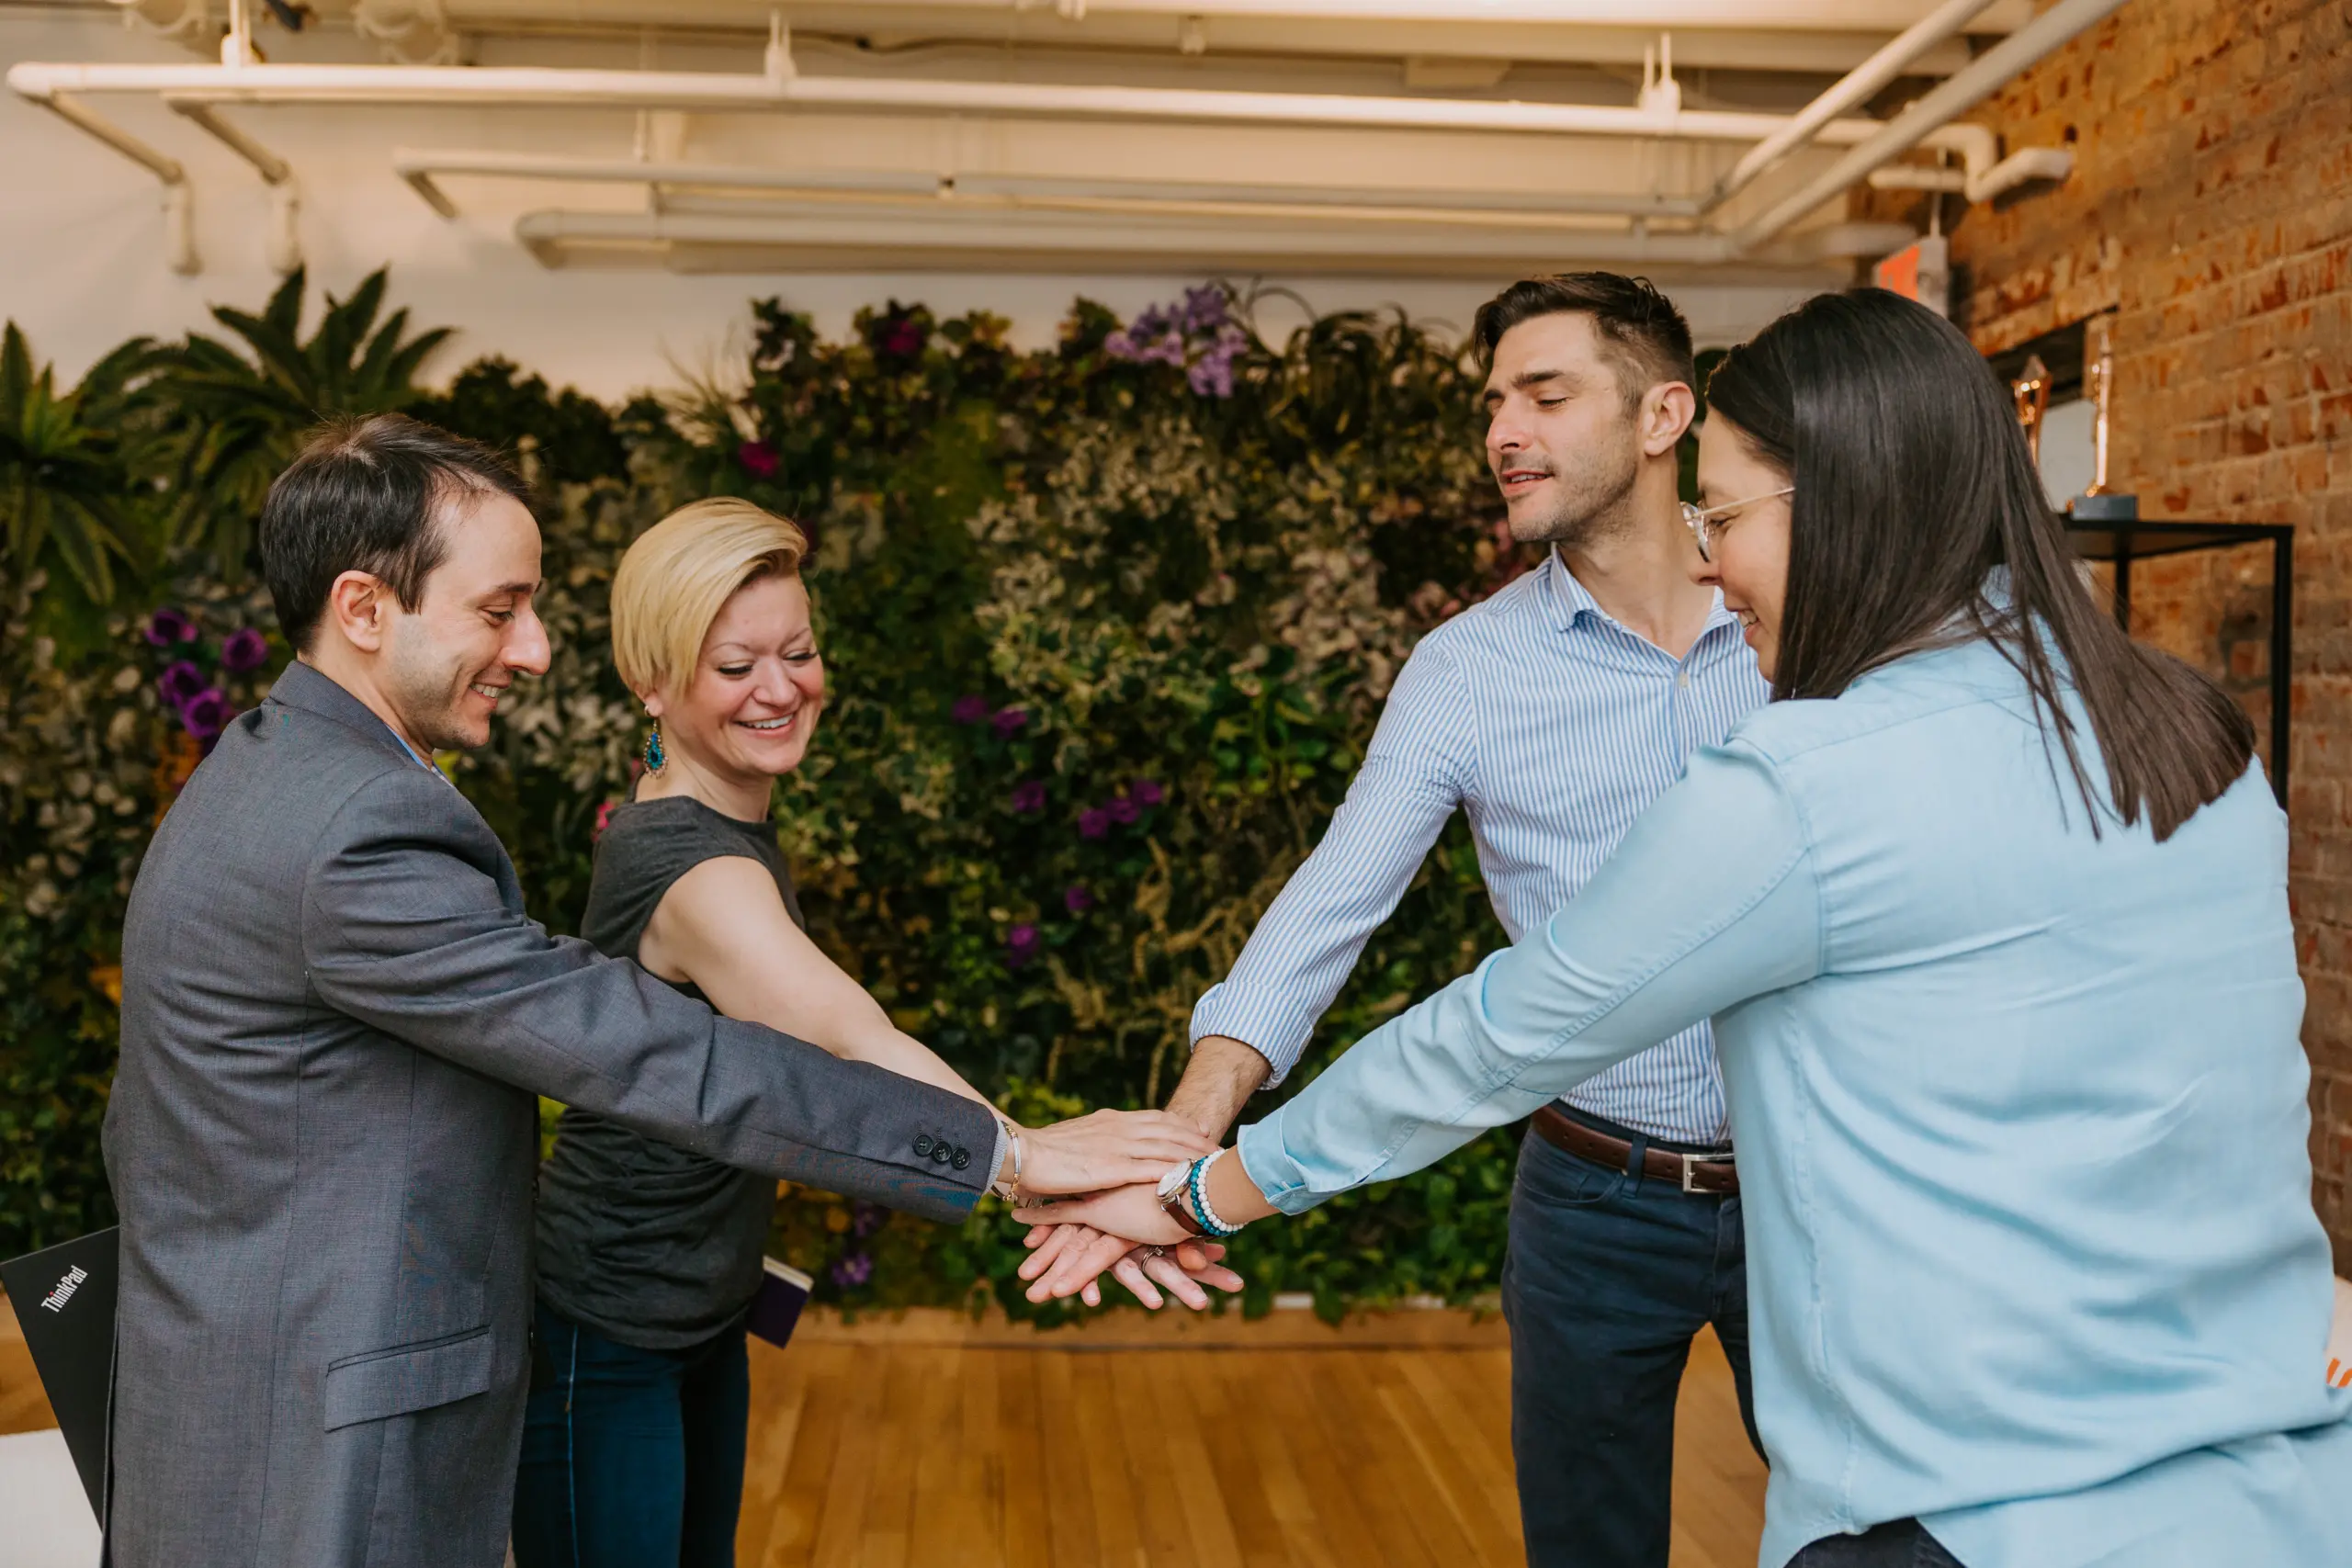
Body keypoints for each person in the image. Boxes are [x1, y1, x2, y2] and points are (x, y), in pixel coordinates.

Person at [1029, 289, 2352, 1568]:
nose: (1718, 565)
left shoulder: (1808, 776)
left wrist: (1200, 1188)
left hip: (1965, 1498)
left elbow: (1495, 1038)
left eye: (1731, 513)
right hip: (2273, 1477)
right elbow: (1331, 907)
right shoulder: (2189, 730)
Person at [103, 415, 1212, 1568]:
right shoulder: (354, 836)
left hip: (256, 1369)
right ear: (366, 609)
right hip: (314, 1409)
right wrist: (1017, 1159)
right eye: (500, 610)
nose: (533, 651)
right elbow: (662, 1054)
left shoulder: (273, 774)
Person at [1023, 272, 1770, 1566]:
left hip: (1813, 1172)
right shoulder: (1467, 669)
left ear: (1665, 415)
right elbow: (1330, 904)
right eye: (1492, 402)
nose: (1503, 432)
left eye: (1545, 393)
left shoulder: (1801, 625)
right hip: (1593, 1198)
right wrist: (1183, 1141)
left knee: (1874, 1528)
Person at [511, 498, 1239, 1566]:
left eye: (798, 652)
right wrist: (1040, 1168)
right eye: (733, 667)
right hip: (604, 1328)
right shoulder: (703, 879)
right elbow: (854, 1042)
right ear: (651, 684)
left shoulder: (691, 801)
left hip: (699, 1307)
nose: (780, 689)